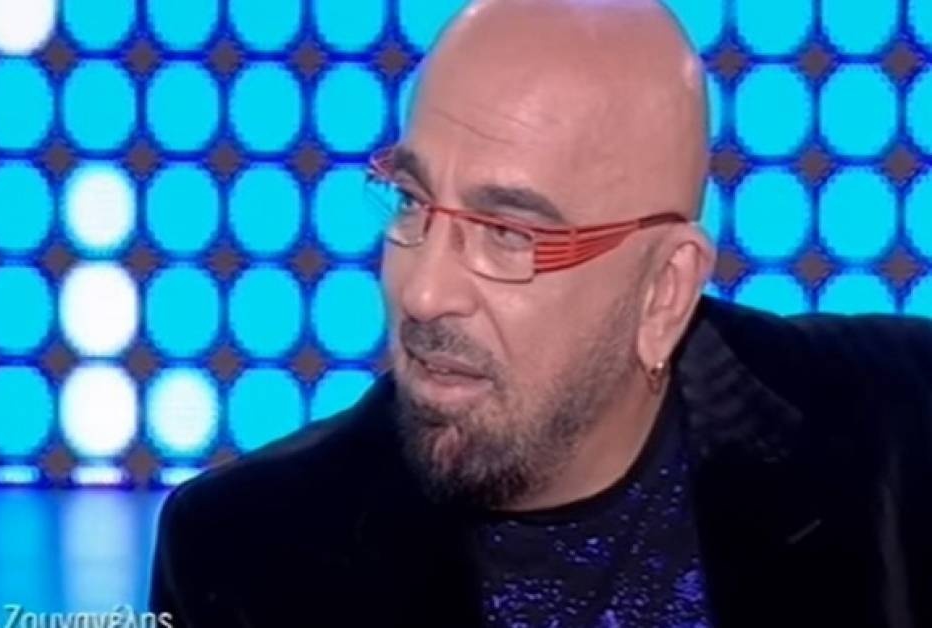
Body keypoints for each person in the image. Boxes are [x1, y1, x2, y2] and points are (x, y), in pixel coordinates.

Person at [150, 0, 932, 626]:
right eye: (412, 200)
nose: (424, 293)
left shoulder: (900, 428)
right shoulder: (240, 558)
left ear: (664, 292)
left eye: (508, 233)